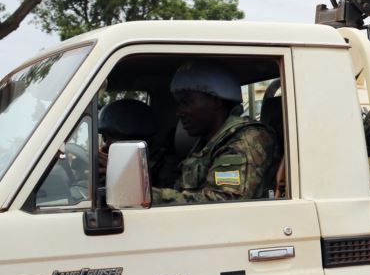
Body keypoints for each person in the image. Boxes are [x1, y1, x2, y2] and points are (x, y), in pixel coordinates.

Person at [151, 61, 275, 205]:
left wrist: (153, 197)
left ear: (216, 101)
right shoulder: (207, 141)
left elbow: (224, 202)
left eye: (186, 102)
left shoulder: (245, 140)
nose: (179, 112)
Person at [97, 98, 179, 185]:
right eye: (104, 138)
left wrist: (121, 174)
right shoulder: (116, 162)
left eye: (107, 137)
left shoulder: (165, 166)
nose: (105, 145)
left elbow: (160, 196)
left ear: (130, 139)